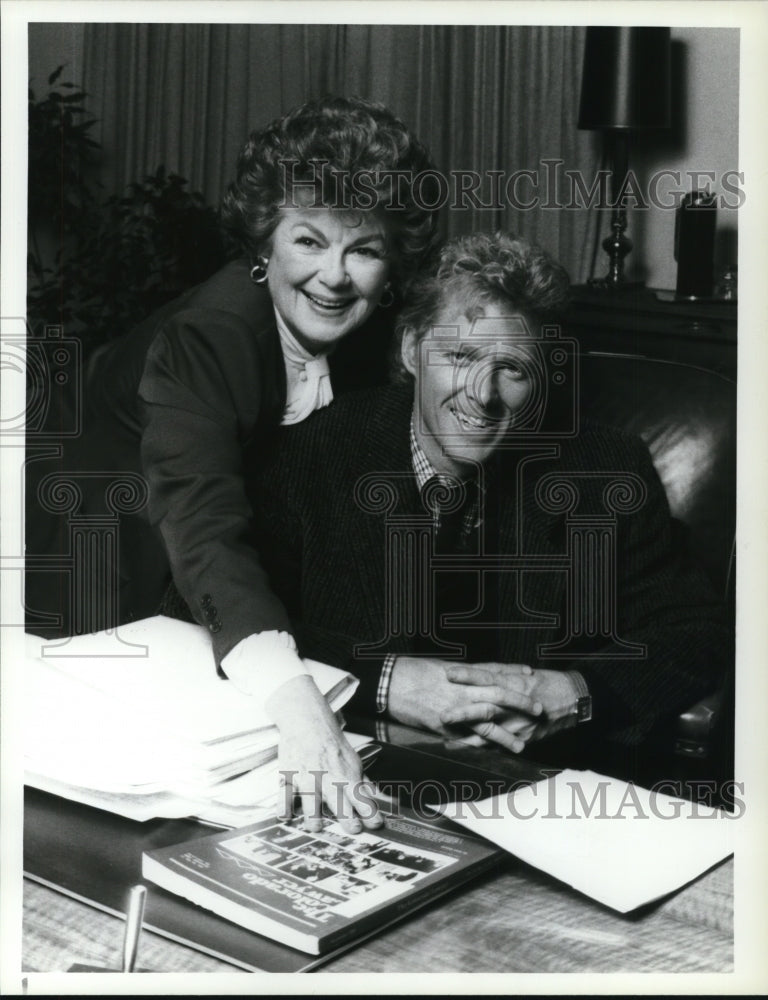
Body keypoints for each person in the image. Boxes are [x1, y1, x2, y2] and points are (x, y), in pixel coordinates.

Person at [25, 96, 438, 832]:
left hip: (213, 607)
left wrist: (394, 686)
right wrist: (297, 702)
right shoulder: (209, 335)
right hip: (99, 585)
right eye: (309, 241)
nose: (335, 277)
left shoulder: (369, 346)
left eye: (364, 250)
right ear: (264, 243)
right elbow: (203, 523)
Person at [251, 232, 730, 771]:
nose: (482, 394)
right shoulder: (315, 448)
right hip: (352, 762)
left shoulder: (605, 470)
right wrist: (383, 682)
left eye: (513, 368)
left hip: (539, 782)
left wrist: (576, 692)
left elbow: (697, 631)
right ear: (412, 349)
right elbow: (217, 620)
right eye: (460, 355)